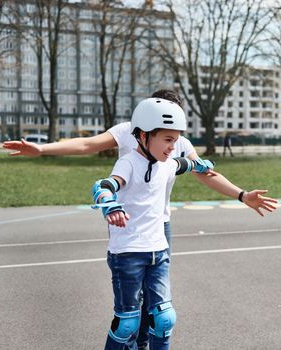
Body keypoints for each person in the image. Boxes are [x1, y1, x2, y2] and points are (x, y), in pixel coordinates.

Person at [3, 89, 278, 349]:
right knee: (130, 312)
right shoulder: (128, 132)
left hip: (160, 225)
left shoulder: (177, 141)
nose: (172, 142)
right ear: (145, 125)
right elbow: (87, 144)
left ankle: (144, 342)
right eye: (166, 134)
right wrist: (42, 149)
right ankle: (131, 341)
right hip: (126, 222)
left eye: (175, 133)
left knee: (160, 309)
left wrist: (242, 195)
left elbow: (203, 171)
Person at [93, 97, 215, 349]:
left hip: (158, 252)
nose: (174, 146)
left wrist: (200, 165)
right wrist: (110, 203)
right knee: (128, 322)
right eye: (168, 140)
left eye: (176, 139)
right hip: (127, 253)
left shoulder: (167, 164)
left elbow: (185, 164)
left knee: (164, 318)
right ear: (144, 135)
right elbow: (106, 185)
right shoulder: (127, 162)